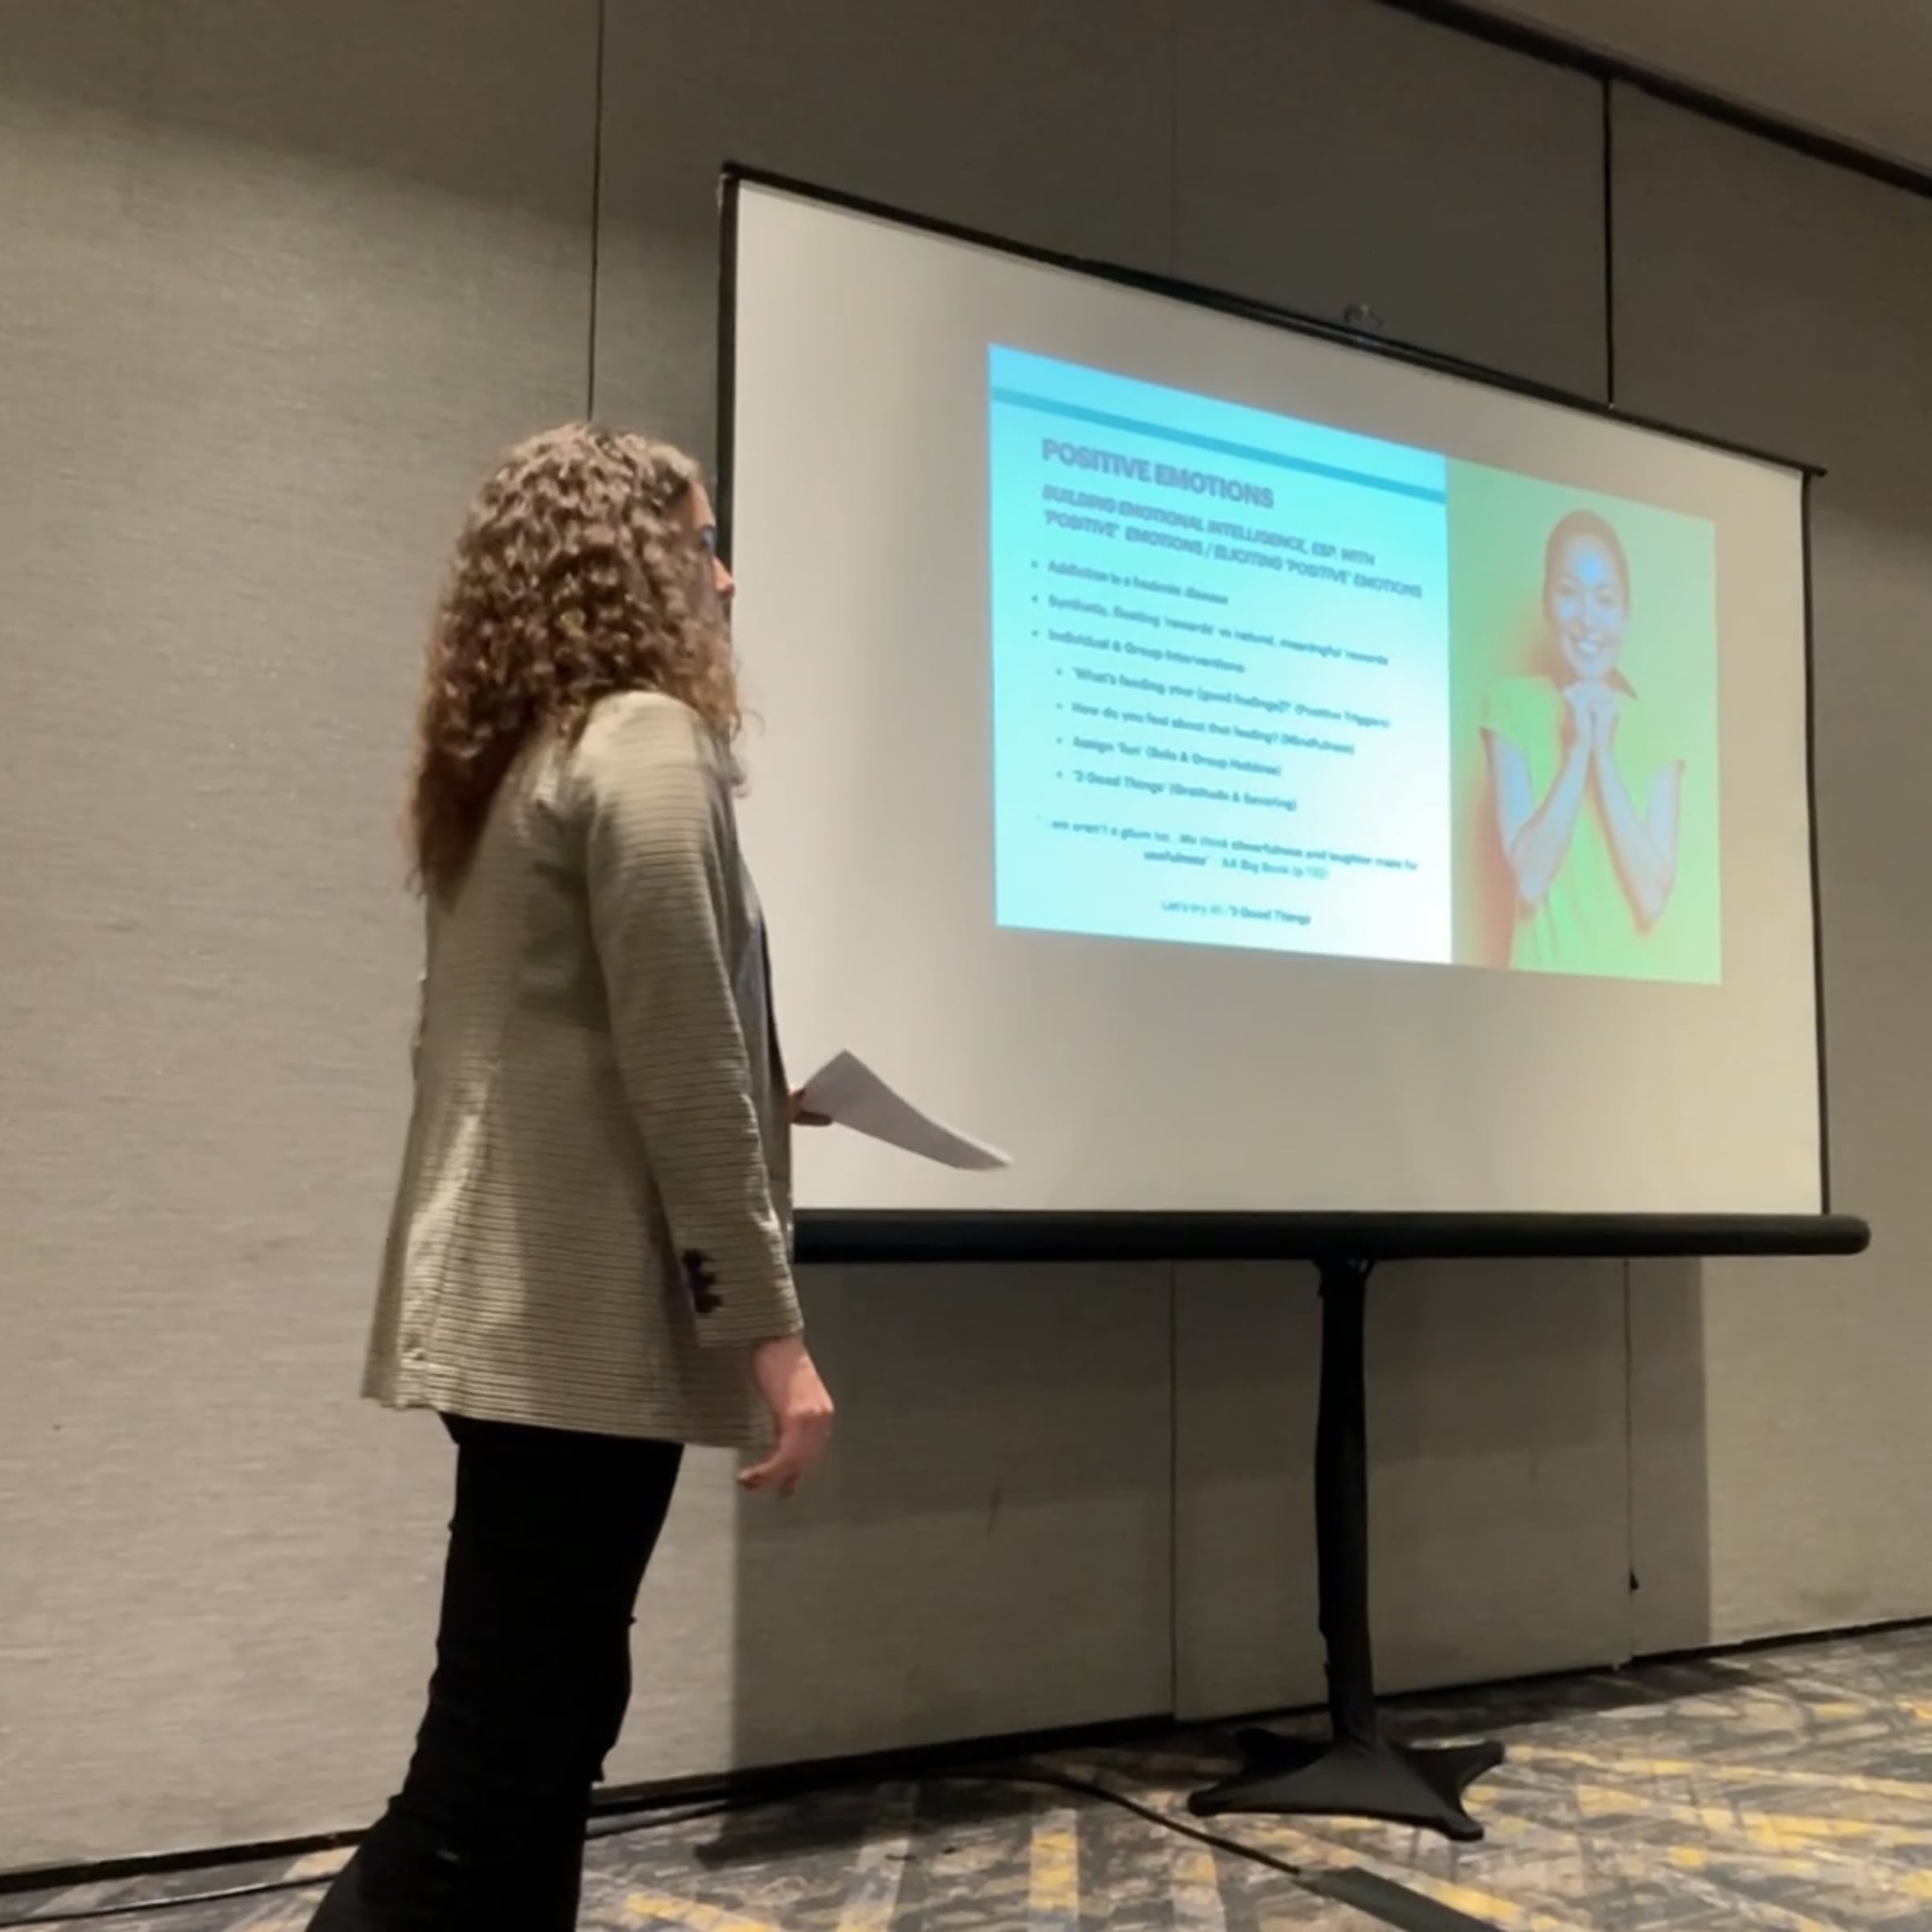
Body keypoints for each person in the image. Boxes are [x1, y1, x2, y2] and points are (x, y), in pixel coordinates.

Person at [310, 424, 835, 1932]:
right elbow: (679, 1058)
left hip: (509, 1313)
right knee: (489, 1776)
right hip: (578, 1327)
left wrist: (771, 1093)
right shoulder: (647, 740)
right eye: (703, 542)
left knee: (538, 1745)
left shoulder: (512, 760)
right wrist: (776, 1339)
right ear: (630, 560)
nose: (725, 578)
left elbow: (556, 1035)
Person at [1480, 509, 1685, 976]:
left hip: (1638, 1003)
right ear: (1548, 604)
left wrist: (1604, 756)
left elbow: (1651, 898)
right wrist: (1576, 753)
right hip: (1534, 999)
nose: (1588, 619)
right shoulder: (1509, 705)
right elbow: (1530, 882)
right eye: (1569, 593)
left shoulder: (1659, 728)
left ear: (1627, 615)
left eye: (1606, 599)